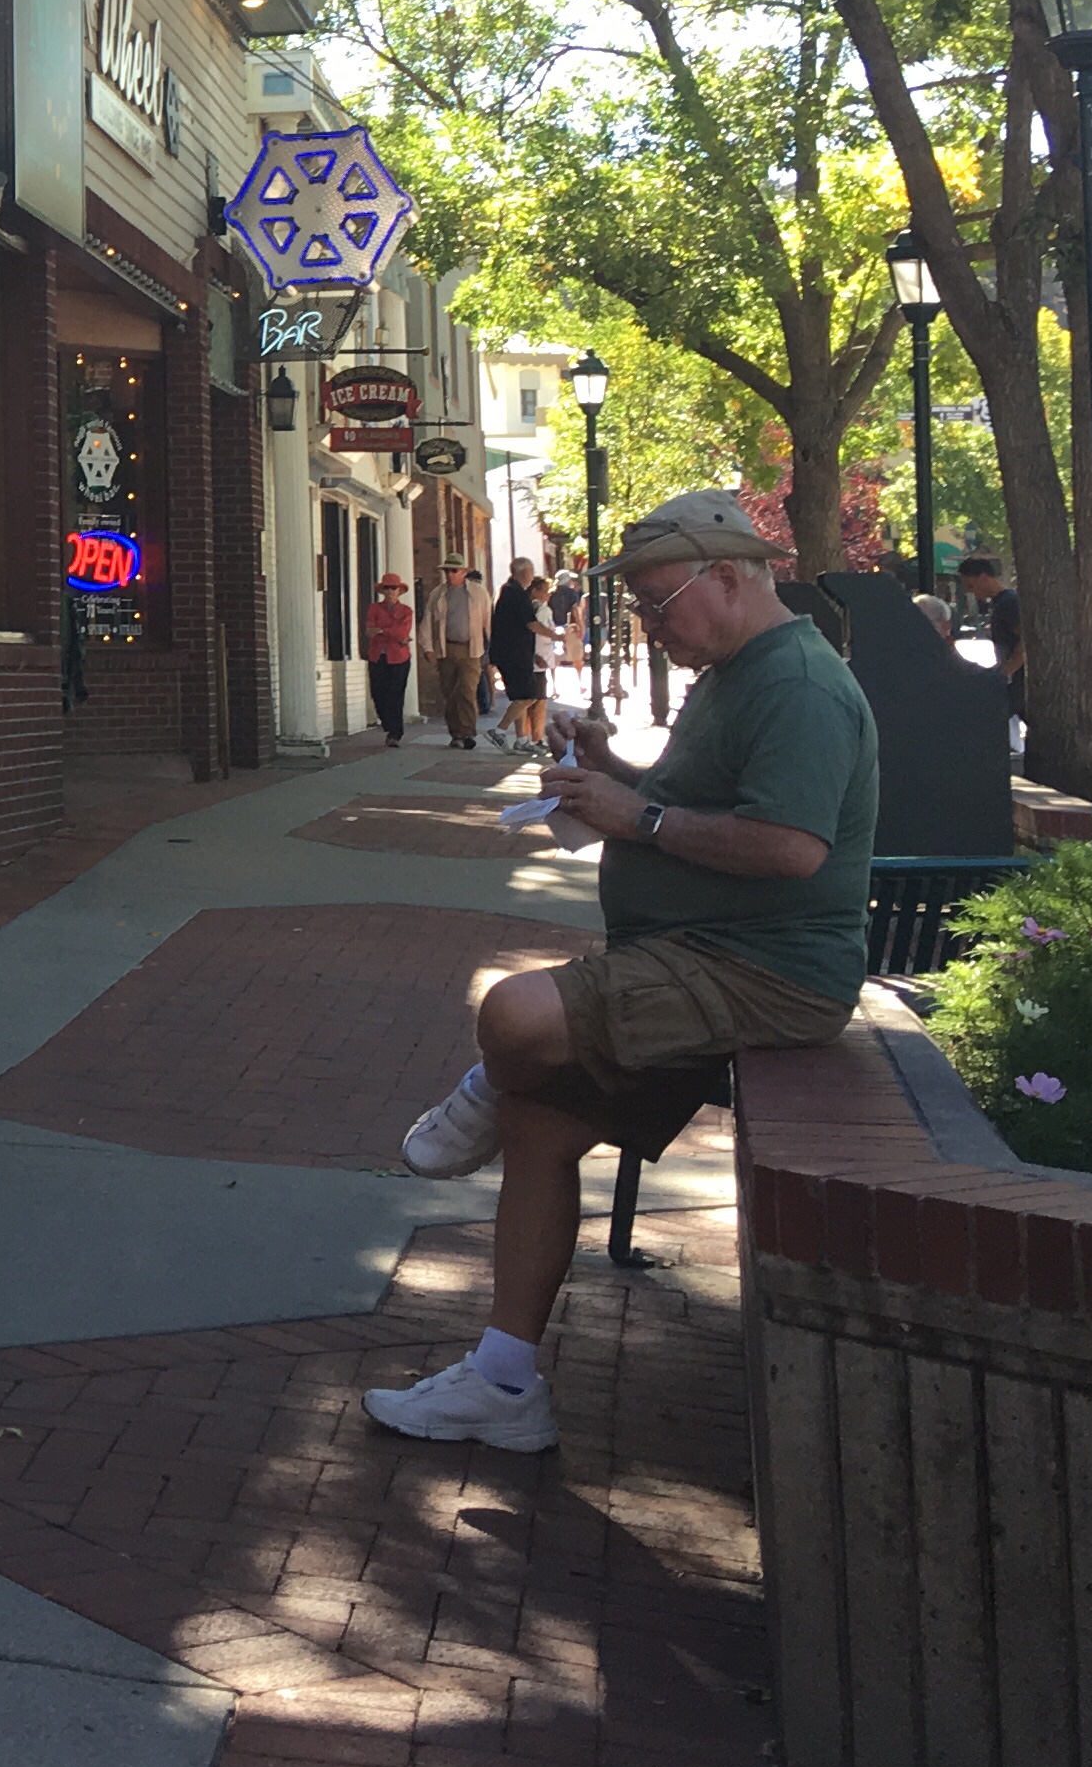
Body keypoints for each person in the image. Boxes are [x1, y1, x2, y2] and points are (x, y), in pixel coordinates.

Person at [363, 491, 879, 1452]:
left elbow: (790, 847)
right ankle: (504, 1386)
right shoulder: (738, 670)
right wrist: (617, 771)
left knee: (512, 1017)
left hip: (758, 974)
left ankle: (478, 1088)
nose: (649, 622)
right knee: (538, 1126)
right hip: (692, 957)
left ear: (728, 579)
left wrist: (632, 819)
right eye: (639, 605)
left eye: (656, 601)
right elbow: (705, 802)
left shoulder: (796, 686)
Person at [489, 557, 548, 746]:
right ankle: (499, 730)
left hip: (513, 653)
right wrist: (557, 637)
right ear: (524, 573)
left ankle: (521, 739)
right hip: (513, 654)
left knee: (519, 697)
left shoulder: (508, 591)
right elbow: (531, 624)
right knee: (528, 695)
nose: (533, 574)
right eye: (531, 570)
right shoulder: (516, 594)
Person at [426, 563, 486, 748]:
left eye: (454, 570)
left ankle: (468, 732)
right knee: (450, 691)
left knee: (467, 690)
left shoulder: (478, 593)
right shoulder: (438, 593)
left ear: (463, 572)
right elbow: (427, 621)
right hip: (447, 648)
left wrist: (492, 649)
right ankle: (456, 733)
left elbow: (488, 620)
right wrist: (428, 647)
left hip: (471, 648)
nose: (449, 574)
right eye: (446, 571)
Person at [957, 557, 1023, 718]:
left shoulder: (1008, 603)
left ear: (984, 577)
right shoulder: (1000, 603)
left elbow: (1026, 640)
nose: (970, 591)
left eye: (971, 585)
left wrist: (1008, 670)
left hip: (1019, 680)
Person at [365, 571, 416, 742]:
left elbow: (403, 631)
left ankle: (395, 733)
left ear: (399, 591)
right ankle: (388, 724)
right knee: (378, 693)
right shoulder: (374, 608)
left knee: (396, 694)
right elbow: (370, 631)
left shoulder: (406, 611)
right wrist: (394, 633)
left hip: (399, 658)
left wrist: (383, 630)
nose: (390, 591)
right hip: (378, 656)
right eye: (386, 588)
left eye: (393, 588)